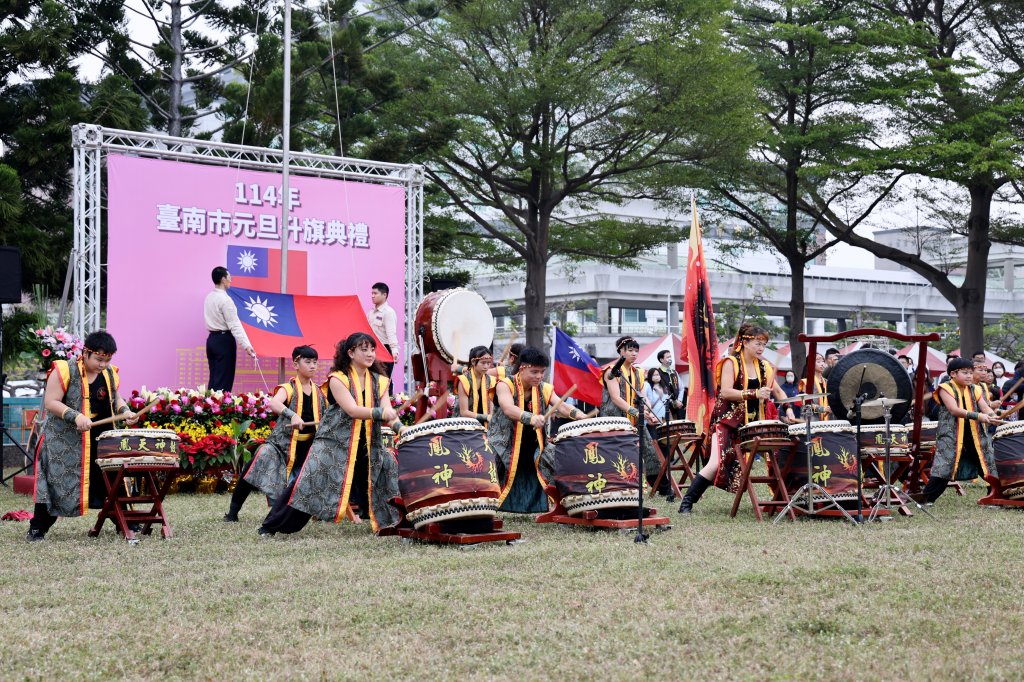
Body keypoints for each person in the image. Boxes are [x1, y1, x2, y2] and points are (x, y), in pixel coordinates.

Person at [259, 333, 401, 536]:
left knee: (388, 470)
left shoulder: (380, 381)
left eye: (372, 349)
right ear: (351, 353)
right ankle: (271, 526)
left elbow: (389, 411)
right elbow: (353, 410)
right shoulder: (338, 378)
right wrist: (380, 412)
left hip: (368, 444)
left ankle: (394, 523)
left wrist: (400, 428)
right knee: (307, 484)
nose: (370, 354)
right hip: (334, 443)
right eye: (364, 349)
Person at [28, 331, 139, 541]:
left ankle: (126, 521)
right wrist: (75, 416)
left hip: (96, 434)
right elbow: (51, 402)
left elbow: (115, 398)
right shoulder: (64, 370)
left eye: (107, 360)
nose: (102, 364)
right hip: (62, 436)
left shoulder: (109, 374)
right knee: (54, 480)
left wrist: (125, 411)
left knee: (111, 476)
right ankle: (37, 527)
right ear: (85, 352)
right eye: (98, 359)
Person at [677, 323, 796, 514]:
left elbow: (778, 391)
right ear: (744, 342)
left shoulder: (765, 366)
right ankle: (687, 502)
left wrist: (789, 408)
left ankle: (783, 496)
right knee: (716, 463)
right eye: (757, 343)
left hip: (753, 424)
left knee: (778, 454)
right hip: (727, 421)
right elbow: (725, 392)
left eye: (764, 344)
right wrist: (754, 393)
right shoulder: (731, 363)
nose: (761, 348)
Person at [224, 346, 326, 522]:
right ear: (296, 364)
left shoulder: (319, 391)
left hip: (308, 447)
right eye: (307, 362)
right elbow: (274, 403)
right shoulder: (288, 388)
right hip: (281, 447)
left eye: (315, 362)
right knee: (259, 458)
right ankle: (233, 512)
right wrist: (292, 415)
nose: (312, 366)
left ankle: (321, 512)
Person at [489, 347, 587, 513]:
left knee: (561, 462)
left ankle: (570, 508)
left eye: (542, 372)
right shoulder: (505, 385)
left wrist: (579, 415)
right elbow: (508, 408)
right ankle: (485, 511)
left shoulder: (545, 388)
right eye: (535, 372)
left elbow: (561, 406)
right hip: (504, 444)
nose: (539, 376)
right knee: (490, 470)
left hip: (536, 444)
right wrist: (531, 417)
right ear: (522, 368)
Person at [912, 357, 997, 504]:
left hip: (974, 434)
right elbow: (954, 410)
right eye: (965, 373)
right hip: (952, 434)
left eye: (971, 373)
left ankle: (995, 495)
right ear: (953, 374)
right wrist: (979, 416)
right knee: (944, 467)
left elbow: (985, 407)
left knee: (986, 463)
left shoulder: (975, 389)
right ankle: (926, 499)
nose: (969, 376)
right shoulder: (946, 388)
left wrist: (992, 415)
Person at [601, 336, 660, 489]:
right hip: (614, 418)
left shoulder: (638, 372)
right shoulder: (611, 371)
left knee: (649, 449)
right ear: (621, 351)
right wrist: (636, 412)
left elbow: (642, 395)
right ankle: (618, 485)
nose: (634, 353)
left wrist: (649, 411)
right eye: (630, 350)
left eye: (636, 351)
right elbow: (615, 398)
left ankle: (661, 486)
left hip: (634, 416)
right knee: (618, 453)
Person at [204, 266, 256, 391]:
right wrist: (247, 345)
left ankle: (211, 405)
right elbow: (235, 325)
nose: (230, 280)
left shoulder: (209, 297)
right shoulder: (226, 300)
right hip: (224, 341)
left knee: (215, 377)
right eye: (229, 278)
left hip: (212, 340)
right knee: (224, 379)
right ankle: (221, 407)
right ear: (223, 279)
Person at [367, 282, 399, 392]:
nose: (372, 296)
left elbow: (391, 333)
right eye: (371, 293)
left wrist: (394, 351)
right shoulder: (371, 312)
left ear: (384, 295)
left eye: (375, 293)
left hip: (385, 349)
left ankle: (388, 404)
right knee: (371, 380)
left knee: (384, 380)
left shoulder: (388, 312)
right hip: (372, 350)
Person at [453, 345, 496, 423]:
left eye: (488, 363)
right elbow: (464, 412)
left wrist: (492, 417)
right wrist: (486, 417)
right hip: (465, 425)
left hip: (486, 424)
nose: (486, 366)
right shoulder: (464, 380)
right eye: (483, 363)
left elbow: (491, 408)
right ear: (473, 362)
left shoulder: (491, 380)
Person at [797, 353, 831, 421]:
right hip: (812, 419)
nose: (822, 364)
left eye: (823, 361)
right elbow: (806, 403)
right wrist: (822, 409)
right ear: (811, 364)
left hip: (827, 417)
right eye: (818, 362)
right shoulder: (806, 382)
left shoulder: (827, 382)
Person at [657, 350, 684, 419]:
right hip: (667, 406)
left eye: (670, 357)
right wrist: (673, 402)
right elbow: (661, 390)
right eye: (667, 357)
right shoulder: (658, 373)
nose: (670, 359)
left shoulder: (674, 372)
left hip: (678, 406)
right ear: (661, 360)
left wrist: (679, 400)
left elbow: (681, 388)